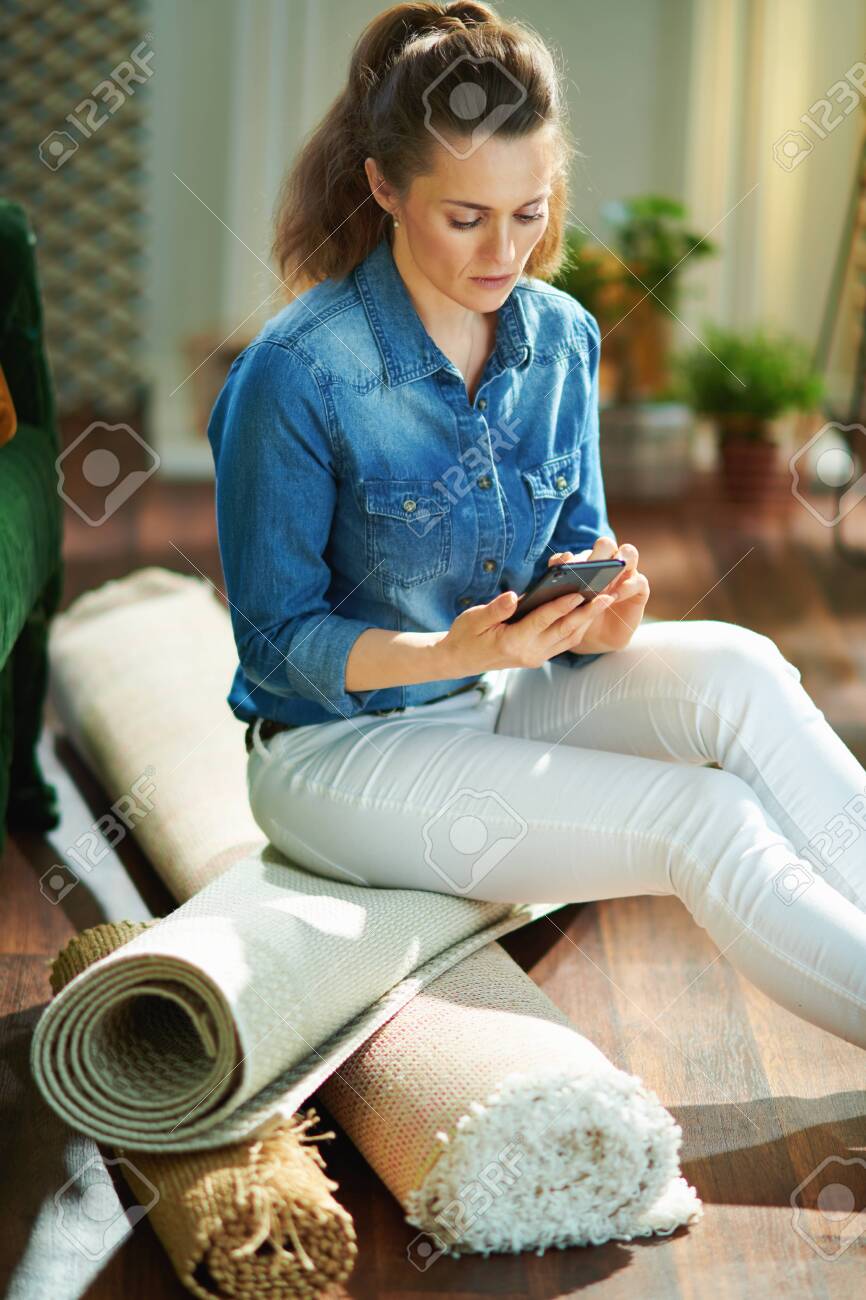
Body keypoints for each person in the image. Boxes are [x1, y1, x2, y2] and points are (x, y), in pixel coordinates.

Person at [207, 1, 866, 1052]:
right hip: (334, 753)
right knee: (705, 821)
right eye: (463, 215)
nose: (502, 249)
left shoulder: (559, 336)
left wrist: (600, 615)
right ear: (384, 186)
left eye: (528, 209)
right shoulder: (296, 372)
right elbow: (275, 646)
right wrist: (444, 648)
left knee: (741, 668)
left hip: (498, 695)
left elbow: (577, 547)